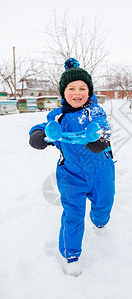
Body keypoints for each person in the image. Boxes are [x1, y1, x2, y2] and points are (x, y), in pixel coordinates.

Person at [29, 58, 115, 277]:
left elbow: (104, 128)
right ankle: (71, 255)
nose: (77, 93)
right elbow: (44, 127)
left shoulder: (95, 112)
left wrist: (100, 140)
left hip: (100, 171)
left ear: (89, 91)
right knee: (73, 214)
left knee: (104, 203)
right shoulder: (57, 116)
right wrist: (38, 135)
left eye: (82, 88)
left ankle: (99, 221)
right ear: (63, 92)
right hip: (71, 176)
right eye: (71, 88)